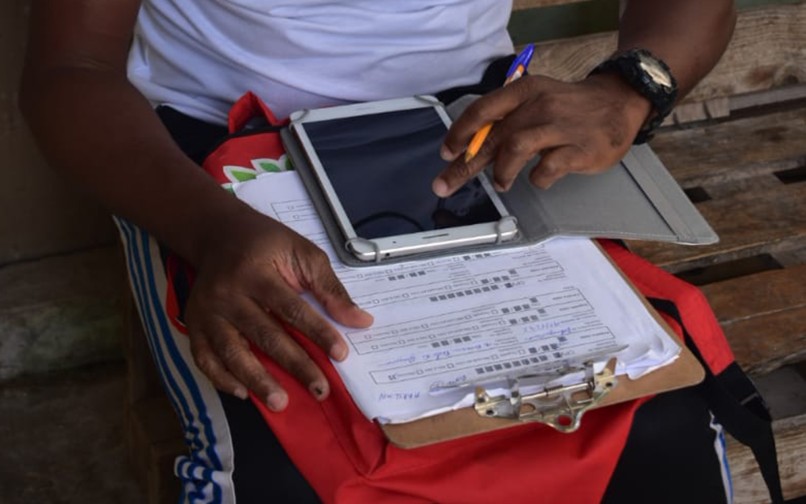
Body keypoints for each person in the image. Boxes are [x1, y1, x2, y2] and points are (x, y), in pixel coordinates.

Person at [20, 1, 741, 502]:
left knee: (658, 423)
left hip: (476, 132)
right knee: (288, 463)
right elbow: (71, 70)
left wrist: (632, 87)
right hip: (218, 162)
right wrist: (209, 230)